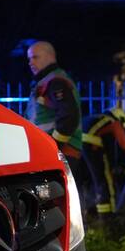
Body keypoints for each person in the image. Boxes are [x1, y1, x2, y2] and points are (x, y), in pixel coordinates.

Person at [26, 41, 83, 179]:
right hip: (57, 153)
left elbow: (69, 116)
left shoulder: (55, 81)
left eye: (35, 57)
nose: (30, 62)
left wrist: (53, 146)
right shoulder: (48, 81)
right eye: (29, 59)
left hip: (60, 154)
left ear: (50, 56)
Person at [82, 106, 125, 215]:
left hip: (76, 148)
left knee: (90, 182)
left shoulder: (97, 120)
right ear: (120, 118)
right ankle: (108, 217)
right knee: (105, 182)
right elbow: (123, 141)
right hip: (90, 145)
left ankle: (91, 216)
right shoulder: (113, 121)